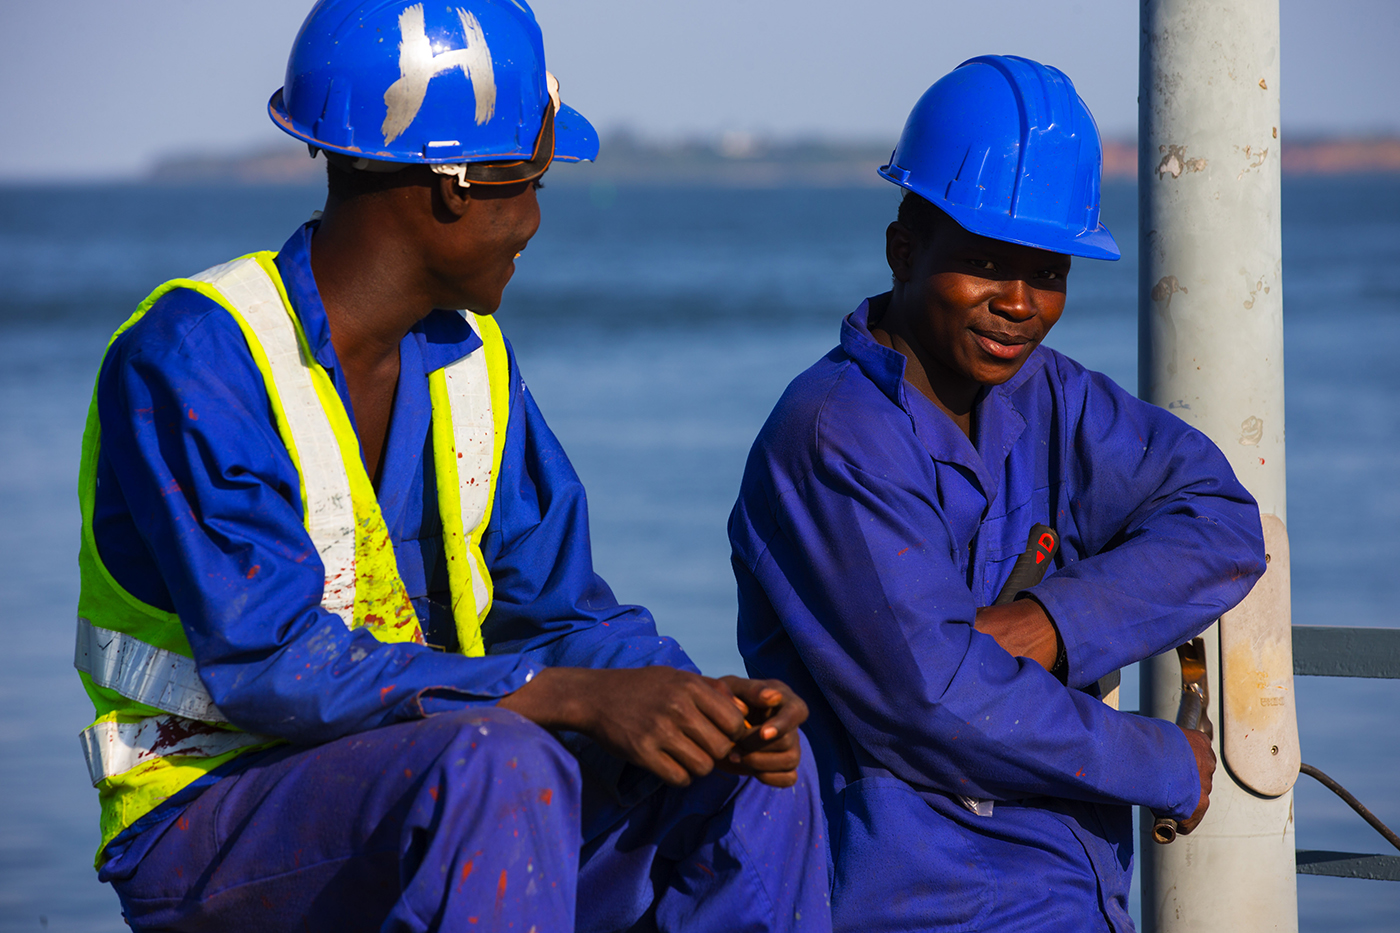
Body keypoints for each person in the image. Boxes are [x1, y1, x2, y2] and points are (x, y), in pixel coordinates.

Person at [73, 2, 830, 930]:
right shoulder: (199, 357)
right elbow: (268, 660)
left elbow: (559, 610)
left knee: (746, 775)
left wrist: (692, 700)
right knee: (505, 759)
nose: (537, 221)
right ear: (453, 188)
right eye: (533, 183)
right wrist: (563, 695)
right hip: (210, 815)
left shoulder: (472, 362)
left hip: (439, 773)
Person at [729, 55, 1265, 932]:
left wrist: (1055, 624)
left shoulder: (1053, 400)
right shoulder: (835, 435)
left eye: (1047, 270)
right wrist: (1159, 761)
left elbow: (1221, 521)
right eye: (985, 262)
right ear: (904, 248)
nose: (1018, 303)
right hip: (908, 897)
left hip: (1074, 891)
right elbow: (932, 702)